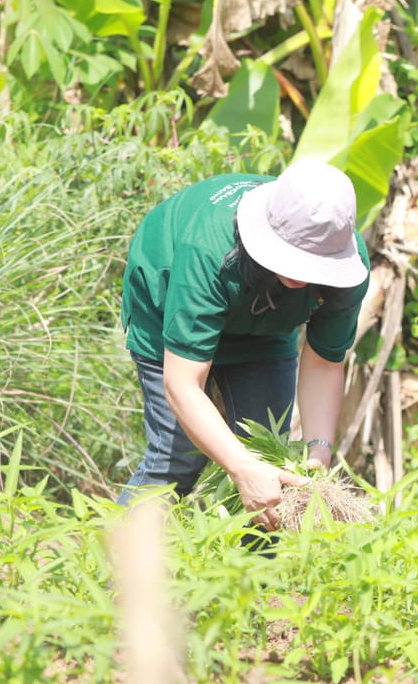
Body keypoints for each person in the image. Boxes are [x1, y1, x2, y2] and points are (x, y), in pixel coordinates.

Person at [117, 160, 371, 533]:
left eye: (316, 266)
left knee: (268, 455)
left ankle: (254, 586)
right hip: (169, 304)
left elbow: (324, 362)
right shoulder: (207, 248)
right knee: (177, 459)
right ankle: (108, 570)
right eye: (297, 261)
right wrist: (240, 468)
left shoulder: (348, 265)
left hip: (263, 327)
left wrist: (318, 450)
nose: (303, 275)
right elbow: (182, 384)